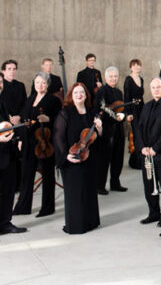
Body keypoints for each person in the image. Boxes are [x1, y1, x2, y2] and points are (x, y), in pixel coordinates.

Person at [54, 83, 102, 234]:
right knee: (75, 193)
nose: (79, 94)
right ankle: (77, 225)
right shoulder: (65, 113)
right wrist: (65, 156)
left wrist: (99, 128)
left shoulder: (92, 113)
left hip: (89, 158)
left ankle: (91, 222)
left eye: (82, 92)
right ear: (71, 95)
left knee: (89, 191)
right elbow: (58, 137)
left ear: (86, 95)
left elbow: (97, 138)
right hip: (72, 159)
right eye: (76, 92)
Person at [13, 72, 62, 216]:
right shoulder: (30, 99)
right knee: (26, 174)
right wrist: (21, 139)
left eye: (43, 83)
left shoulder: (53, 100)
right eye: (37, 82)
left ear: (47, 85)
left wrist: (48, 119)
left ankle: (47, 208)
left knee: (47, 175)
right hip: (28, 141)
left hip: (44, 142)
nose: (39, 85)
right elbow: (23, 120)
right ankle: (23, 207)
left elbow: (59, 120)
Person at [135, 78, 161, 227]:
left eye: (158, 87)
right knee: (149, 185)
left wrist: (155, 149)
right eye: (153, 87)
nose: (156, 90)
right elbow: (139, 128)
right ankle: (153, 213)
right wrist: (142, 147)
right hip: (146, 152)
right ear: (150, 89)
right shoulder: (146, 106)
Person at [95, 67, 130, 194]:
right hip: (107, 129)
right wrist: (115, 116)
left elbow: (123, 108)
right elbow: (100, 108)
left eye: (115, 76)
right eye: (111, 76)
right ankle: (100, 185)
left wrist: (124, 115)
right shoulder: (101, 91)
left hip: (119, 129)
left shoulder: (119, 92)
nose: (113, 78)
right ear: (105, 78)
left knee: (118, 157)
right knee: (104, 159)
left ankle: (115, 183)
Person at [0, 74, 27, 236]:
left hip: (7, 153)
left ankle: (4, 223)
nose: (0, 85)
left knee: (8, 190)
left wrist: (16, 138)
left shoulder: (2, 103)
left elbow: (7, 126)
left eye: (1, 82)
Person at [123, 59, 144, 170]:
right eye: (134, 65)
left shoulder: (141, 79)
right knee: (136, 134)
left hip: (141, 108)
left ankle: (139, 158)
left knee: (142, 133)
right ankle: (135, 161)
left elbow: (141, 97)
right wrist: (128, 113)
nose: (136, 67)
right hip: (133, 109)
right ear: (131, 67)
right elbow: (126, 97)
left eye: (138, 65)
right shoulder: (128, 80)